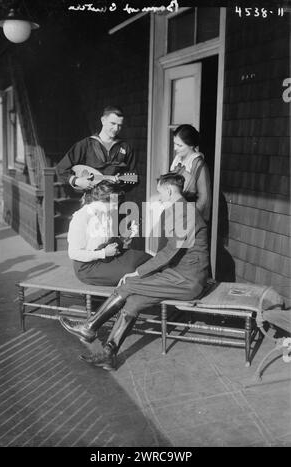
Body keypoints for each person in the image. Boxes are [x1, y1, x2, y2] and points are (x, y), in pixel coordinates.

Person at [60, 173, 210, 370]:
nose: (159, 197)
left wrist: (139, 272)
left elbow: (171, 251)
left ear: (169, 190)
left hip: (186, 280)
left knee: (128, 283)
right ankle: (108, 353)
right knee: (134, 301)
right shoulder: (178, 210)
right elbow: (170, 252)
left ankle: (90, 327)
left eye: (160, 193)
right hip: (177, 275)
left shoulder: (183, 212)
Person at [68, 180, 150, 286]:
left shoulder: (107, 214)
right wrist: (103, 253)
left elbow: (109, 242)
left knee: (145, 258)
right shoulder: (81, 217)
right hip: (87, 267)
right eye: (114, 204)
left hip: (106, 258)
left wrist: (127, 235)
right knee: (132, 271)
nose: (116, 208)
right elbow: (74, 253)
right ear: (103, 201)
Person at [56, 105, 137, 191]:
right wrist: (77, 181)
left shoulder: (125, 147)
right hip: (91, 198)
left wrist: (120, 182)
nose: (116, 128)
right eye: (113, 123)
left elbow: (134, 177)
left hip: (115, 198)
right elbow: (61, 169)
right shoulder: (86, 144)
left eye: (120, 125)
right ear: (103, 120)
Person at [170, 124, 211, 222]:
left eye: (179, 145)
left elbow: (204, 199)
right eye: (174, 144)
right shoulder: (177, 161)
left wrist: (189, 219)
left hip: (190, 218)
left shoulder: (198, 164)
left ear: (191, 145)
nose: (175, 148)